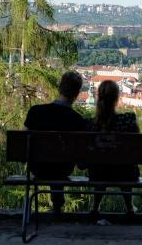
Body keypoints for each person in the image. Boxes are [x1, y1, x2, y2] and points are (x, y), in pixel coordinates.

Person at [23, 71, 88, 214]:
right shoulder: (78, 120)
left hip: (37, 167)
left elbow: (23, 142)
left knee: (51, 163)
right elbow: (82, 161)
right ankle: (58, 206)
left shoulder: (36, 112)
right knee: (58, 166)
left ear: (59, 88)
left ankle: (55, 206)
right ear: (77, 94)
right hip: (63, 169)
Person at [88, 80, 140, 215]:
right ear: (117, 98)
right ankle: (129, 207)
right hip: (126, 173)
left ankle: (95, 207)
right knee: (124, 164)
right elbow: (137, 147)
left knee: (102, 165)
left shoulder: (91, 124)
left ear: (99, 97)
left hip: (97, 173)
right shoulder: (129, 120)